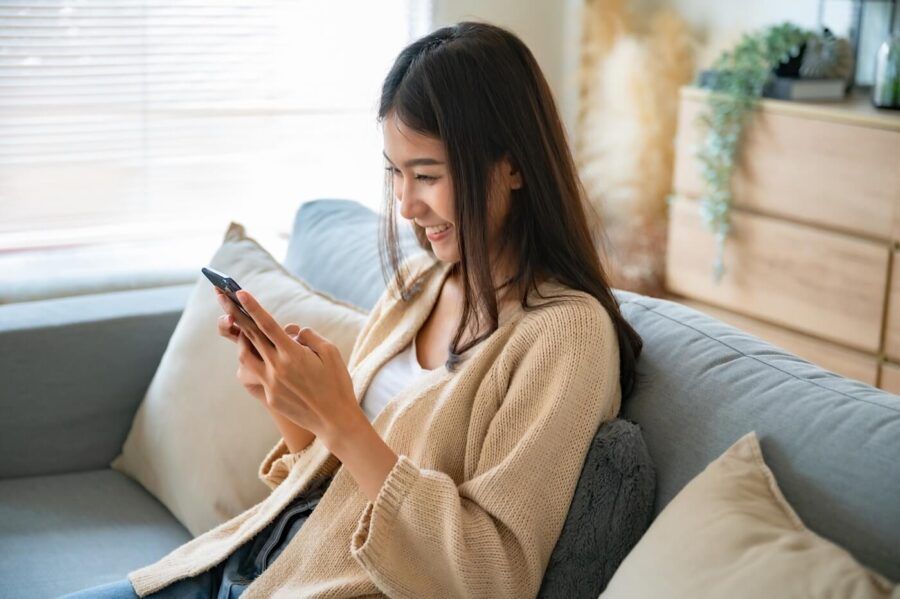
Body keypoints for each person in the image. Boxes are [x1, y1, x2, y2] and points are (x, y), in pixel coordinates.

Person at [61, 20, 643, 599]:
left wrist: (341, 420)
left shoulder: (564, 335)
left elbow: (492, 577)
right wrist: (290, 406)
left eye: (428, 175)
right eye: (396, 173)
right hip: (244, 563)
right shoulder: (417, 286)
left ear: (512, 166)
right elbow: (333, 499)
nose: (406, 204)